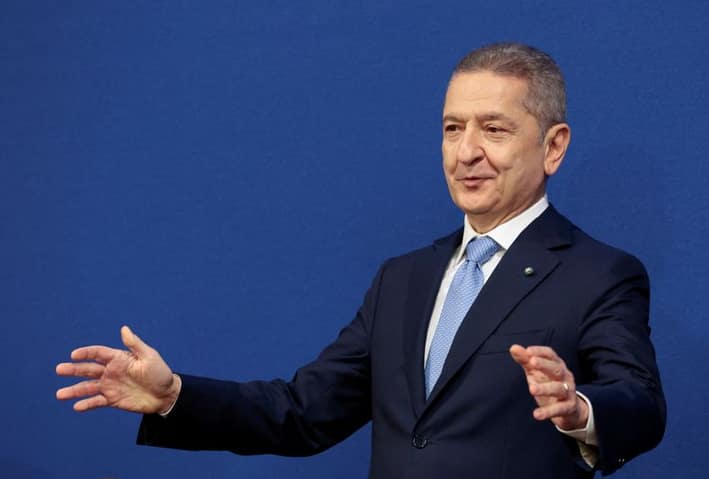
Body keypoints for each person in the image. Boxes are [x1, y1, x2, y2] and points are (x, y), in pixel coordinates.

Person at [56, 42, 665, 478]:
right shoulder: (404, 278)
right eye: (453, 128)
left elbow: (641, 405)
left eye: (494, 130)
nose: (466, 152)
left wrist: (580, 409)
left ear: (553, 148)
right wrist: (174, 396)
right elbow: (304, 413)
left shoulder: (598, 274)